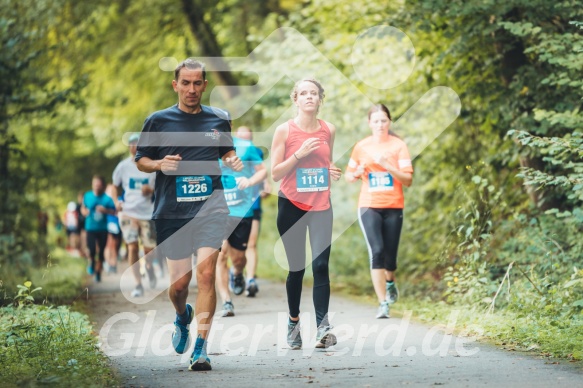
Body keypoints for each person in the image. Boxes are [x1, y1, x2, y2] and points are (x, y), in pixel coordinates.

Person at [135, 59, 242, 371]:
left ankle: (201, 348)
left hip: (211, 208)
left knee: (207, 275)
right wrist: (158, 165)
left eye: (198, 83)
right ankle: (183, 316)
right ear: (175, 85)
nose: (192, 89)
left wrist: (233, 160)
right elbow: (141, 159)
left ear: (205, 85)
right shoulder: (157, 121)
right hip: (172, 211)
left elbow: (226, 150)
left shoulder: (219, 119)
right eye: (186, 83)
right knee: (180, 286)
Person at [270, 78, 342, 350]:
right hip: (290, 204)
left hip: (321, 204)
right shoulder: (284, 131)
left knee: (321, 265)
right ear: (295, 99)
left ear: (320, 99)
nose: (309, 97)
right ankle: (293, 321)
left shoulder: (328, 130)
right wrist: (298, 154)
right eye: (303, 93)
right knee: (297, 268)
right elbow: (275, 173)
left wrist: (333, 170)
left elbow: (327, 161)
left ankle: (323, 327)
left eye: (314, 93)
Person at [345, 104, 413, 319]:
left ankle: (390, 281)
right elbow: (348, 176)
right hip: (369, 204)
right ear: (369, 123)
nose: (380, 124)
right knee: (377, 252)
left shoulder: (398, 146)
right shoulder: (361, 146)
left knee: (390, 258)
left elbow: (408, 180)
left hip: (393, 205)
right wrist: (356, 172)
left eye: (383, 120)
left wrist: (388, 166)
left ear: (389, 122)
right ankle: (383, 303)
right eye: (376, 121)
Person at [216, 127, 266, 316]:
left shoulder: (246, 147)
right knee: (220, 256)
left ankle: (237, 273)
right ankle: (226, 301)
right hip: (216, 212)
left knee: (238, 259)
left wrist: (251, 181)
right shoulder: (205, 148)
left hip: (241, 211)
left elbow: (262, 171)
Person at [112, 133, 157, 297]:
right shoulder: (123, 167)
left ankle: (149, 268)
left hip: (147, 213)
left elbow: (161, 188)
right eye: (131, 144)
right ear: (129, 148)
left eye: (137, 143)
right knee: (132, 247)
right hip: (128, 213)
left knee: (149, 251)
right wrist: (117, 200)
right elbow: (114, 186)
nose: (134, 146)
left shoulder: (152, 166)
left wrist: (151, 190)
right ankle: (138, 284)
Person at [232, 126, 271, 297]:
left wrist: (265, 187)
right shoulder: (225, 150)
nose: (244, 141)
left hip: (252, 204)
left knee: (252, 244)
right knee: (226, 250)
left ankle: (251, 280)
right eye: (242, 137)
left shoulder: (253, 152)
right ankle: (235, 273)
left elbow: (263, 175)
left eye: (248, 138)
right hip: (229, 205)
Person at [81, 175, 116, 282]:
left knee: (101, 252)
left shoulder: (107, 199)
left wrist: (105, 210)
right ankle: (91, 263)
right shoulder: (87, 196)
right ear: (92, 184)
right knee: (91, 250)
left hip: (103, 229)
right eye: (95, 184)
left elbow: (114, 212)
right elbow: (83, 208)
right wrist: (84, 212)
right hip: (90, 228)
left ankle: (98, 272)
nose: (96, 186)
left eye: (99, 184)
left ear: (102, 186)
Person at [105, 183, 122, 274]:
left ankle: (113, 264)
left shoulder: (119, 199)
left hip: (118, 225)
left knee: (115, 245)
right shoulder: (104, 200)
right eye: (109, 190)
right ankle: (109, 264)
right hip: (107, 225)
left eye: (112, 190)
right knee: (109, 244)